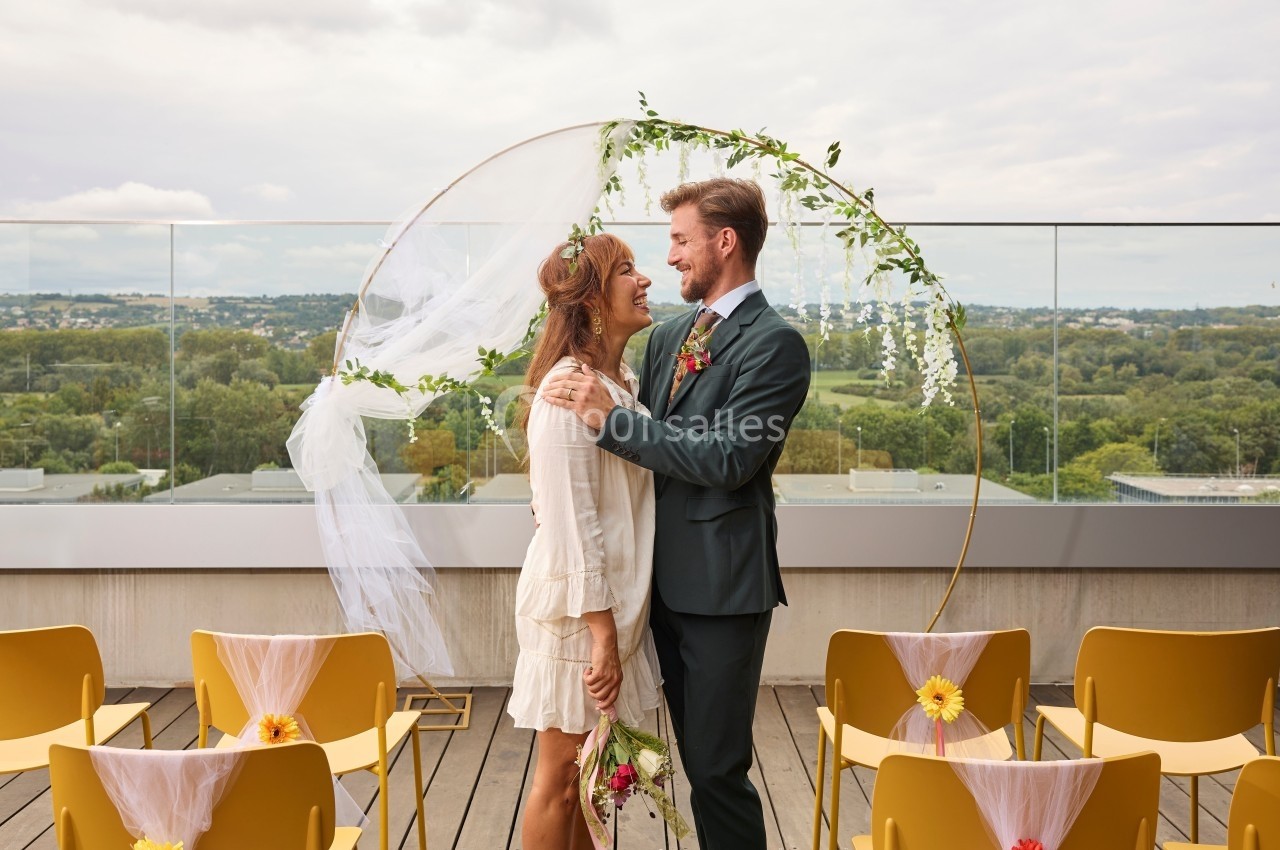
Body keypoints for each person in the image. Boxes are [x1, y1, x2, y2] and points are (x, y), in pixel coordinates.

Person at [544, 177, 811, 850]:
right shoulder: (666, 340)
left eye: (680, 240)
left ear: (726, 242)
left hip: (723, 591)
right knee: (681, 761)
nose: (670, 259)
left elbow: (729, 460)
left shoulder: (775, 345)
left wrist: (611, 425)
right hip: (652, 591)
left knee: (717, 770)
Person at [507, 232, 663, 850]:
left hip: (613, 608)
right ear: (594, 300)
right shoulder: (566, 389)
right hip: (579, 616)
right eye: (627, 270)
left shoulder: (617, 377)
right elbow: (573, 524)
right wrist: (603, 632)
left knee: (589, 780)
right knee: (561, 780)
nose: (645, 279)